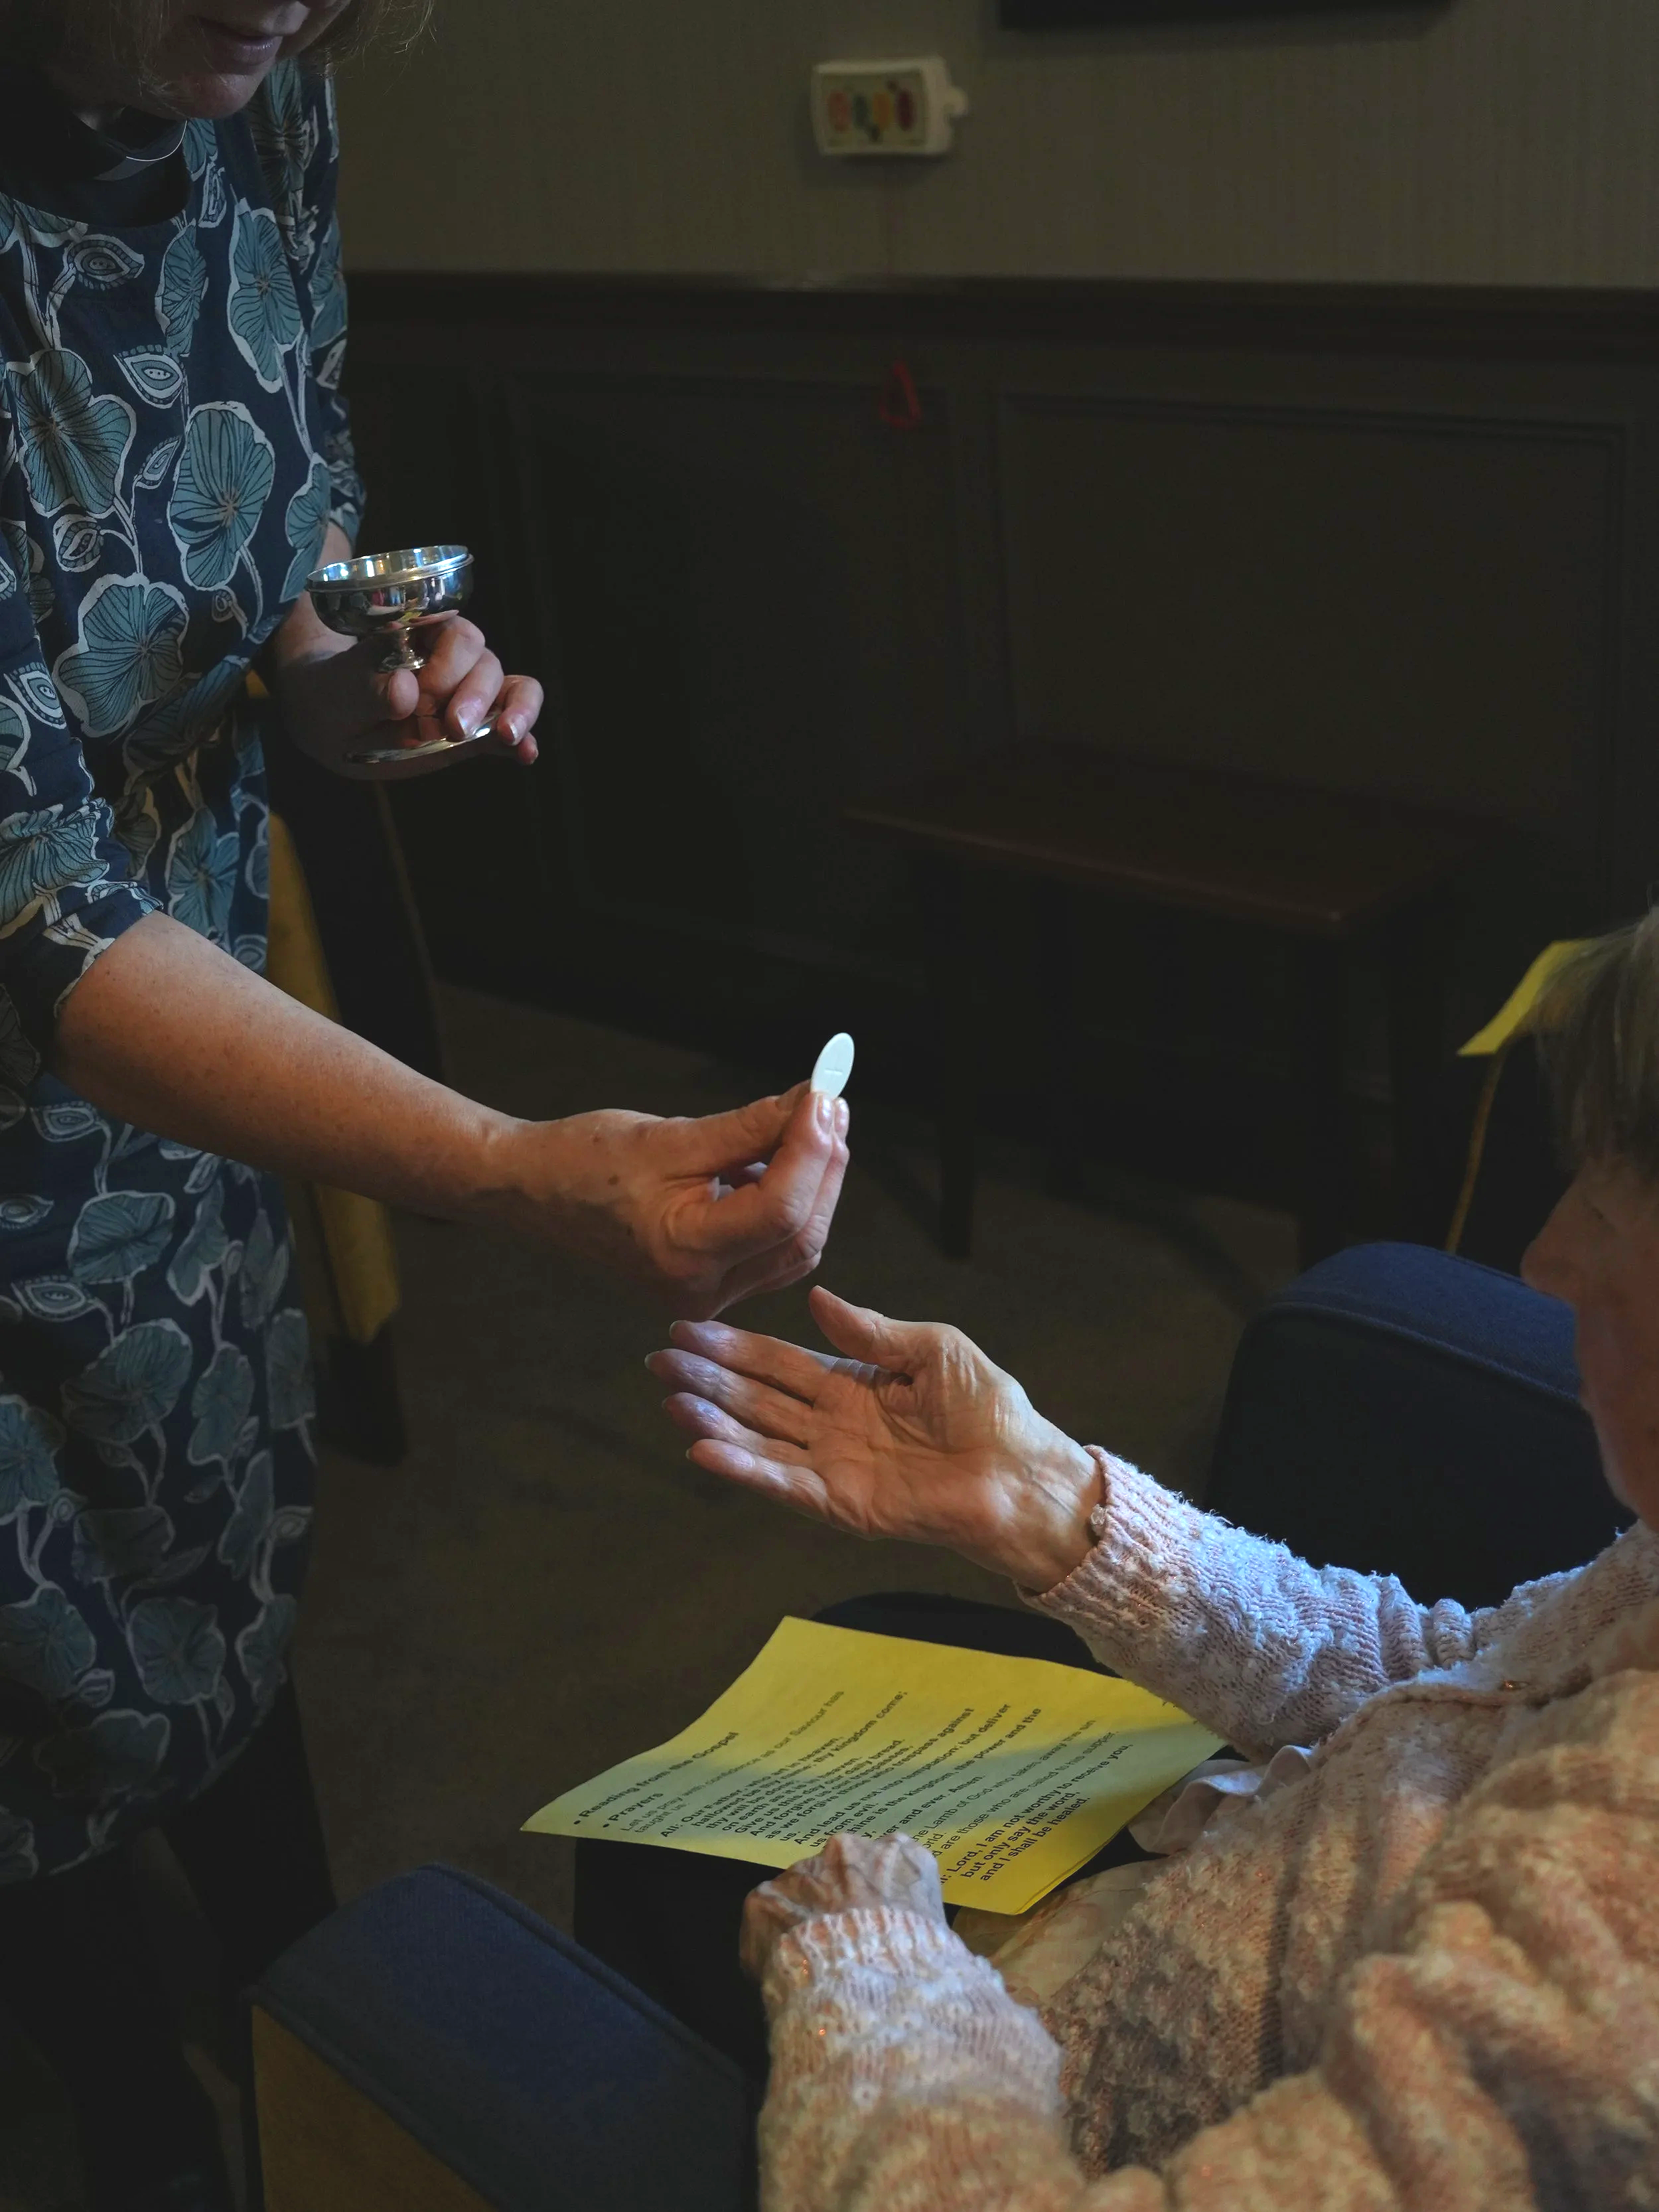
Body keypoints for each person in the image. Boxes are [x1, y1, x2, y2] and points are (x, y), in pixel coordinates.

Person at [0, 5, 850, 2207]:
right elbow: (33, 921)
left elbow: (260, 570)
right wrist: (496, 1171)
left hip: (192, 1121)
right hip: (47, 1061)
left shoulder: (253, 78)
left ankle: (309, 2023)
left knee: (206, 1592)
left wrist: (359, 694)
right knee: (30, 1709)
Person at [644, 914, 1659, 2210]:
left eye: (1612, 1207)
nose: (1544, 1257)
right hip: (1203, 1902)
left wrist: (871, 1956)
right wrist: (1054, 1505)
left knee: (647, 1902)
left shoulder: (1613, 1953)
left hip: (1053, 2109)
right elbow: (1469, 1682)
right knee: (856, 1654)